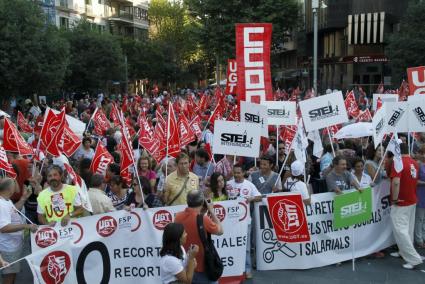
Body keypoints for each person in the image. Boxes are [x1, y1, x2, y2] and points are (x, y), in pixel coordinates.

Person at [175, 190, 223, 283]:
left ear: (187, 201)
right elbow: (220, 231)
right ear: (202, 202)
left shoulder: (178, 217)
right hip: (203, 266)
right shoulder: (203, 219)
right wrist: (212, 211)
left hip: (186, 265)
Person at [389, 142, 423, 269]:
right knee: (408, 228)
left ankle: (413, 258)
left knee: (400, 230)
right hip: (412, 199)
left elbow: (396, 182)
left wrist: (395, 198)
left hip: (401, 201)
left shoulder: (397, 162)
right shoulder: (414, 162)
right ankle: (403, 252)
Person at [226, 164, 262, 279]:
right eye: (234, 172)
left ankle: (247, 269)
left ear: (243, 173)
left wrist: (252, 198)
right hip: (230, 222)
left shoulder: (249, 185)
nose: (236, 175)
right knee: (231, 245)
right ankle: (232, 268)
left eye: (238, 172)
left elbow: (259, 197)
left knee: (246, 248)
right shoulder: (228, 184)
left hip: (245, 221)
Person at [0, 178, 38, 284]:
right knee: (9, 277)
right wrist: (26, 226)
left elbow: (13, 210)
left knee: (11, 274)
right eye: (15, 183)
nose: (18, 185)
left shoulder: (6, 200)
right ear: (10, 188)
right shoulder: (1, 204)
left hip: (12, 246)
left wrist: (24, 198)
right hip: (8, 248)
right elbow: (4, 228)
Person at [415, 144, 425, 248]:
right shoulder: (417, 165)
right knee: (419, 218)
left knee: (424, 219)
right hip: (420, 195)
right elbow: (414, 181)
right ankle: (419, 240)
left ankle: (423, 237)